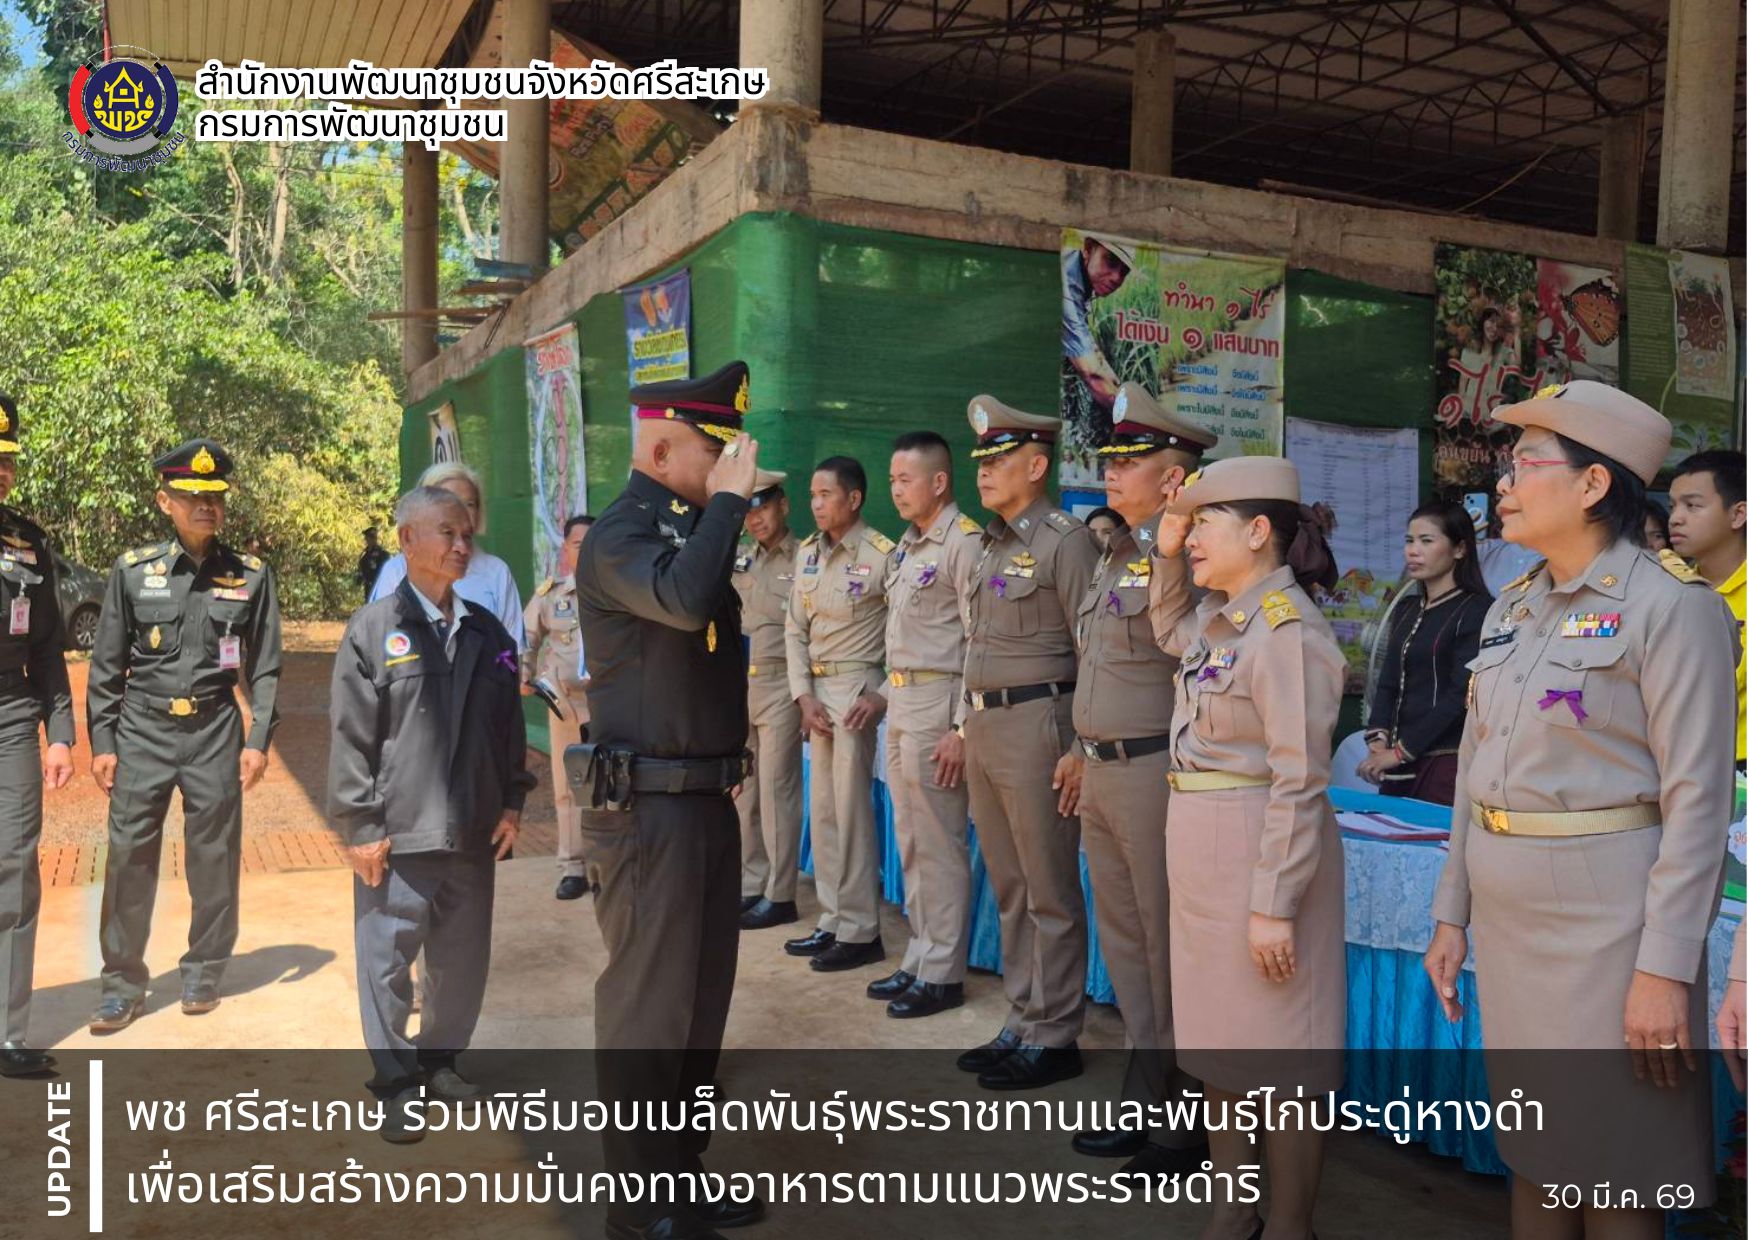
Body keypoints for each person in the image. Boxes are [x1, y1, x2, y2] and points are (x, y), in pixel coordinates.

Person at [1423, 382, 1737, 1238]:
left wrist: (1664, 969)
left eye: (1525, 464)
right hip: (1514, 925)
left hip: (1611, 930)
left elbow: (1699, 804)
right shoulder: (1515, 607)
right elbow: (1480, 774)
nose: (1503, 484)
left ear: (1594, 486)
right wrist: (1452, 914)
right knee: (1538, 1151)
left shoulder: (1673, 608)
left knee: (1616, 1170)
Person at [574, 360, 764, 1240]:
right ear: (660, 448)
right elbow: (687, 608)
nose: (729, 466)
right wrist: (727, 506)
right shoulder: (621, 535)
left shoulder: (687, 530)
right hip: (646, 809)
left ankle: (678, 1180)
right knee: (650, 1007)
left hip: (701, 803)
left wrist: (715, 512)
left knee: (699, 1004)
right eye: (711, 449)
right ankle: (636, 1203)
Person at [1147, 455, 1346, 1240]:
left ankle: (1290, 1222)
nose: (1191, 538)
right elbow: (1165, 625)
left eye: (1205, 524)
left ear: (1259, 532)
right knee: (1223, 1055)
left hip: (1264, 862)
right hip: (1204, 861)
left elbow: (1300, 781)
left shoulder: (1288, 633)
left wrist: (1274, 905)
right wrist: (1164, 549)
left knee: (1285, 1063)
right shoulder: (1221, 618)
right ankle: (1232, 1210)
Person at [328, 485, 532, 1141]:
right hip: (401, 831)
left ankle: (440, 1061)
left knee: (461, 963)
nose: (461, 545)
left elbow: (507, 726)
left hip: (474, 830)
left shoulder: (488, 632)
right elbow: (352, 737)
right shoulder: (372, 630)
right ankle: (395, 1084)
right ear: (407, 539)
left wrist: (512, 801)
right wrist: (360, 827)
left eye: (466, 533)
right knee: (387, 964)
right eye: (447, 532)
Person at [1059, 384, 1214, 1171]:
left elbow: (1197, 657)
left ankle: (1185, 1121)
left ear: (1175, 479)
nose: (1111, 474)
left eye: (1131, 462)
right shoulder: (1116, 549)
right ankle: (1145, 1100)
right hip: (1101, 768)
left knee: (1165, 950)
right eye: (1111, 460)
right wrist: (1077, 747)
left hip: (1157, 769)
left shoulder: (1193, 556)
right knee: (1125, 950)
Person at [84, 440, 281, 1032]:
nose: (206, 506)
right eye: (193, 497)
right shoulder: (133, 571)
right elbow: (106, 664)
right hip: (142, 729)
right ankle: (121, 984)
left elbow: (265, 666)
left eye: (215, 496)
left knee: (213, 857)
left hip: (216, 728)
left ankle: (203, 971)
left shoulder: (249, 576)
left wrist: (258, 738)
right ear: (164, 501)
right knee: (127, 859)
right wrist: (102, 741)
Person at [955, 396, 1099, 1090]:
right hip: (986, 724)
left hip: (1039, 725)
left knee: (1048, 885)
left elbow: (1092, 647)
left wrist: (1076, 743)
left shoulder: (1064, 540)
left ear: (1037, 466)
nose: (984, 472)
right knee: (1009, 885)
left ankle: (1056, 1030)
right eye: (981, 461)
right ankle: (1022, 1015)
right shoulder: (993, 541)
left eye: (1000, 460)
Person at [869, 431, 982, 1019]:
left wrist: (961, 728)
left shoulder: (963, 544)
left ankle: (943, 971)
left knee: (940, 844)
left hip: (939, 706)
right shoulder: (908, 548)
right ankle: (919, 953)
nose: (896, 489)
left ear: (939, 482)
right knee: (910, 839)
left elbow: (977, 640)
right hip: (903, 704)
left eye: (905, 479)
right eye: (891, 480)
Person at [782, 456, 894, 973]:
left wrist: (879, 693)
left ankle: (860, 929)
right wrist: (803, 697)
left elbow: (904, 635)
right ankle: (831, 920)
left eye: (826, 494)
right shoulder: (807, 555)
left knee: (852, 813)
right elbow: (793, 630)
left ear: (854, 499)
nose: (817, 504)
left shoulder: (881, 555)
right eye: (812, 495)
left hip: (854, 689)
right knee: (822, 812)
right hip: (816, 696)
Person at [0, 394, 73, 1076]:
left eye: (6, 459)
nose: (0, 470)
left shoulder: (27, 544)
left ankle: (7, 1032)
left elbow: (48, 646)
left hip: (9, 718)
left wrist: (60, 732)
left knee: (16, 869)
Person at [1359, 501, 1492, 805]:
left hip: (1446, 763)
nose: (1413, 551)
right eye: (1409, 541)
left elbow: (1462, 694)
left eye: (1426, 541)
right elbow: (1388, 682)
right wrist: (1378, 740)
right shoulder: (1406, 610)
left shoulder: (1478, 610)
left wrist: (1399, 751)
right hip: (1395, 767)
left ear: (1459, 549)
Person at [734, 470, 804, 930]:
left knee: (778, 791)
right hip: (742, 687)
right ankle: (751, 883)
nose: (754, 518)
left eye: (762, 507)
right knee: (746, 793)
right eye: (747, 510)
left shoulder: (804, 559)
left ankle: (781, 894)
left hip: (782, 685)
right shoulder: (740, 562)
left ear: (783, 505)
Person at [369, 462, 526, 649]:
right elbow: (376, 647)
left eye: (469, 504)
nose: (461, 512)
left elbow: (511, 653)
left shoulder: (496, 573)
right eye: (449, 501)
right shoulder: (397, 570)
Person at [523, 514, 594, 900]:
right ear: (566, 550)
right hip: (564, 703)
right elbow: (525, 636)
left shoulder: (615, 592)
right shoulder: (551, 595)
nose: (585, 550)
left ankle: (605, 866)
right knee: (567, 787)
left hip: (606, 703)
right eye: (578, 544)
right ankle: (572, 866)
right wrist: (524, 672)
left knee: (607, 784)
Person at [1667, 449, 1746, 766]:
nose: (1675, 517)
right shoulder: (1669, 590)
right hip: (1679, 765)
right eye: (1672, 506)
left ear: (1738, 515)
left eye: (1693, 505)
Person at [1062, 234, 1135, 414]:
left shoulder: (1077, 272)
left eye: (1124, 271)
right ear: (1088, 249)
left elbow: (1090, 350)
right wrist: (1137, 417)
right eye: (1110, 260)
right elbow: (1093, 375)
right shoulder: (1066, 288)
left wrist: (1118, 386)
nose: (1117, 278)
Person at [356, 526, 390, 600]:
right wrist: (360, 577)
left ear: (374, 539)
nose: (366, 540)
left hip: (379, 589)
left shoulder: (383, 554)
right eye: (366, 538)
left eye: (368, 538)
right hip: (368, 588)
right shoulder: (364, 554)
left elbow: (385, 572)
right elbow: (361, 568)